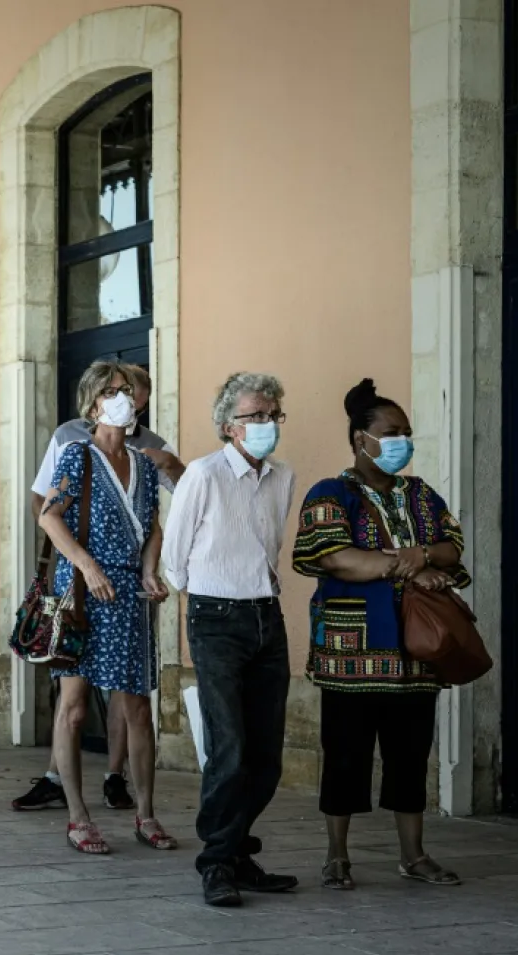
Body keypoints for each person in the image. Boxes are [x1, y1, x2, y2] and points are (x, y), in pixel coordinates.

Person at [292, 379, 470, 890]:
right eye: (391, 433)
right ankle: (336, 856)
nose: (402, 442)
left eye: (406, 433)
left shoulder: (420, 494)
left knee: (410, 756)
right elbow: (334, 558)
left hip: (417, 651)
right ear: (359, 439)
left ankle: (414, 856)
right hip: (352, 652)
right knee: (345, 754)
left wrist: (427, 556)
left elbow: (451, 546)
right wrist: (411, 563)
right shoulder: (331, 493)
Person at [15, 361, 184, 814]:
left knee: (138, 709)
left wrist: (151, 571)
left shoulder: (145, 464)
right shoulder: (76, 453)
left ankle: (146, 815)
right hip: (86, 594)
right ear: (93, 403)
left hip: (129, 593)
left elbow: (152, 525)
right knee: (73, 706)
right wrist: (86, 566)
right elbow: (48, 514)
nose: (124, 397)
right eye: (113, 391)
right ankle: (76, 814)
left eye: (128, 389)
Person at [162, 372, 298, 907]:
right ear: (228, 425)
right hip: (216, 617)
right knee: (230, 748)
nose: (266, 424)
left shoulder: (283, 477)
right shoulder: (203, 474)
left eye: (272, 415)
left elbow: (271, 542)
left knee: (266, 755)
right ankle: (217, 861)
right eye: (254, 416)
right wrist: (201, 605)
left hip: (267, 614)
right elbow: (176, 556)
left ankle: (239, 852)